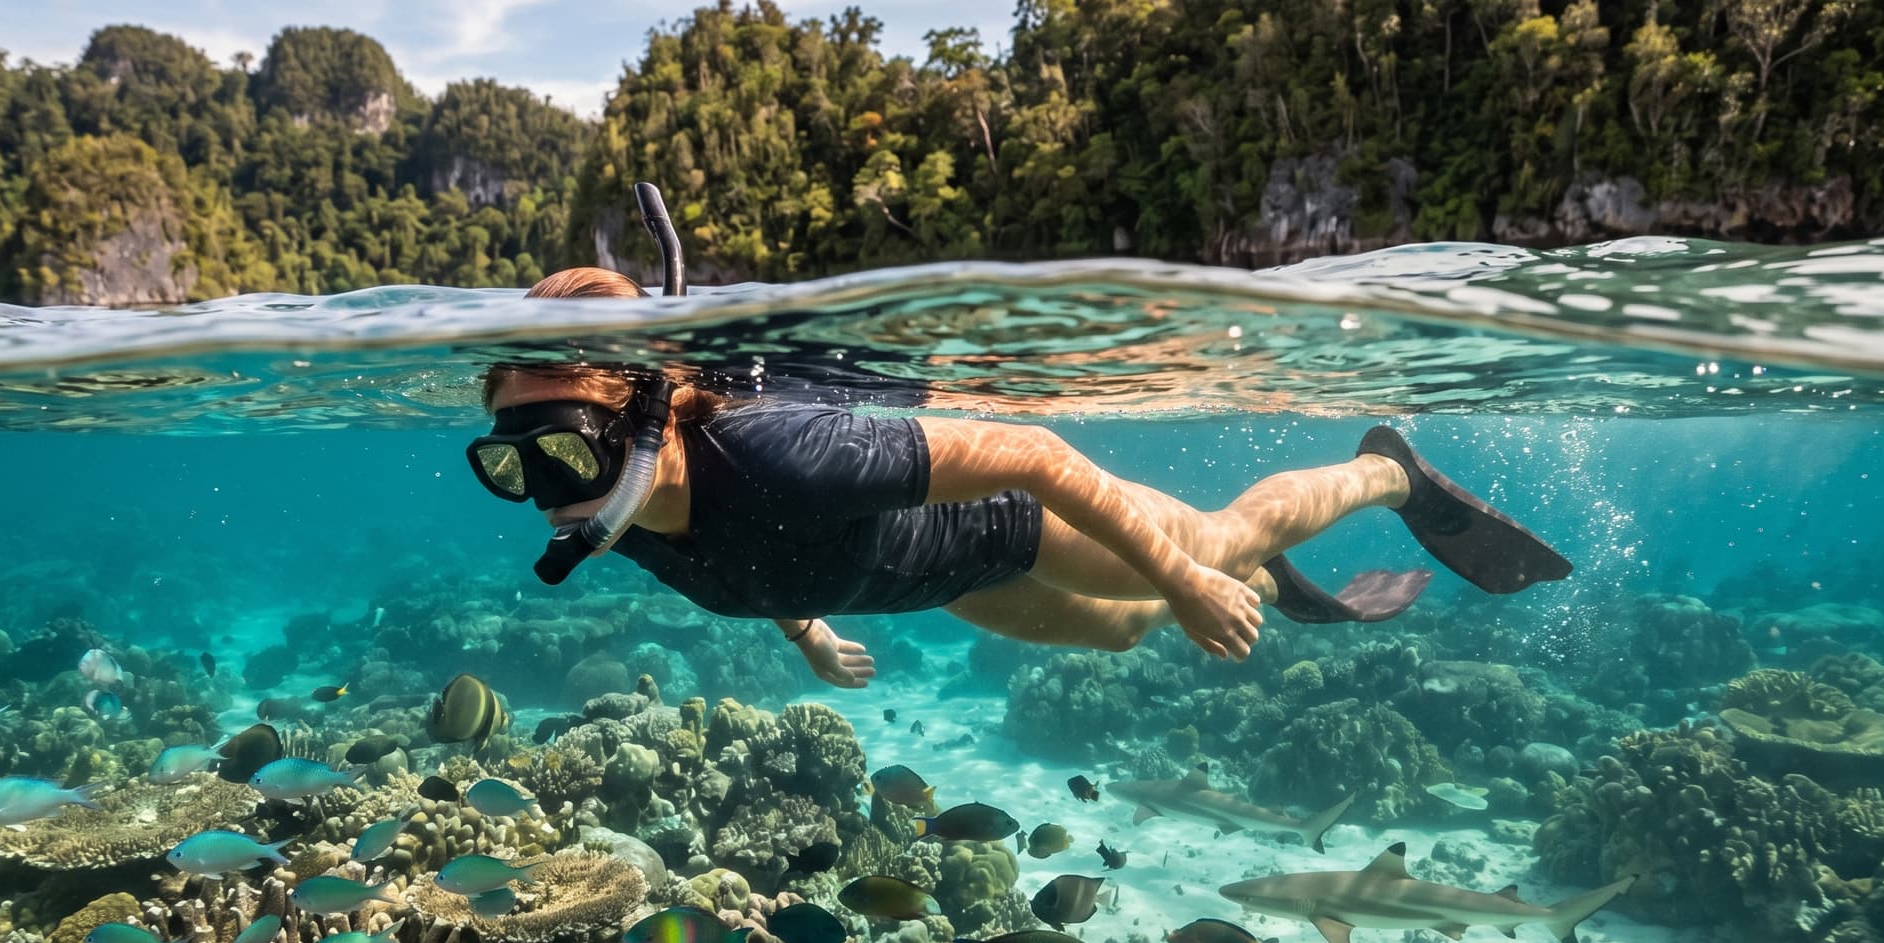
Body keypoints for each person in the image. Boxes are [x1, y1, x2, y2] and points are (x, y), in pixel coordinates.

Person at [470, 268, 1573, 690]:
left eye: (565, 448)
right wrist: (805, 631)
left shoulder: (774, 446)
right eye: (509, 466)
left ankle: (1383, 471)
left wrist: (1188, 581)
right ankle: (1255, 578)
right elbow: (747, 554)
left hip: (1012, 519)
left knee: (1206, 549)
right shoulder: (622, 521)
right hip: (928, 576)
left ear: (650, 412)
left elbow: (1038, 456)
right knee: (1119, 631)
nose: (550, 492)